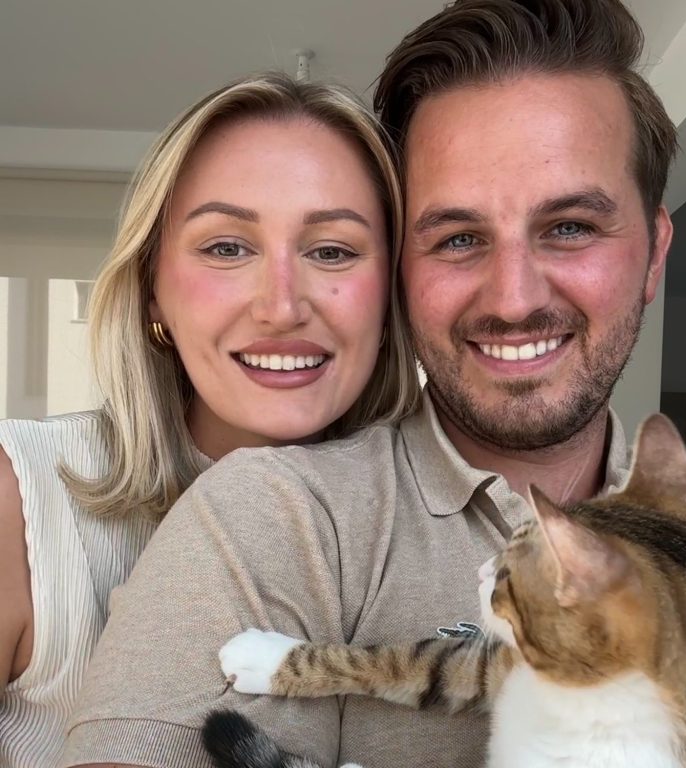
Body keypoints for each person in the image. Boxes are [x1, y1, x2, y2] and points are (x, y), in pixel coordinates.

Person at [62, 2, 686, 767]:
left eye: (570, 227)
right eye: (458, 238)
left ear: (655, 253)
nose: (513, 299)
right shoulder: (273, 514)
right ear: (402, 271)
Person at [0, 72, 420, 767]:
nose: (281, 307)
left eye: (332, 250)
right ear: (153, 289)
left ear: (391, 297)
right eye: (227, 248)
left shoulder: (446, 530)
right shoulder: (20, 499)